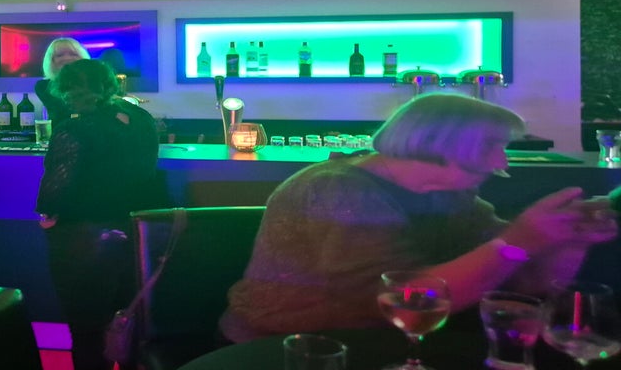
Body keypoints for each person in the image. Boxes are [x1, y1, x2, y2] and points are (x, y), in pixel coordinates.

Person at [220, 93, 619, 343]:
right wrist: (520, 240)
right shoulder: (337, 189)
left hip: (392, 342)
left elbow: (517, 280)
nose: (502, 162)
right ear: (439, 144)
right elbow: (404, 305)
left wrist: (569, 240)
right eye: (491, 146)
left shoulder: (452, 194)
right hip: (291, 346)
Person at [35, 59, 171, 370]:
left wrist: (48, 216)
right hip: (137, 229)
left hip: (85, 235)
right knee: (131, 319)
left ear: (67, 91)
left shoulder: (75, 128)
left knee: (87, 329)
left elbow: (56, 184)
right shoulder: (141, 117)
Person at [34, 37, 90, 128]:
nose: (67, 58)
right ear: (52, 60)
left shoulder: (94, 82)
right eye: (59, 55)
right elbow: (62, 112)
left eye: (73, 54)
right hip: (61, 133)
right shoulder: (43, 86)